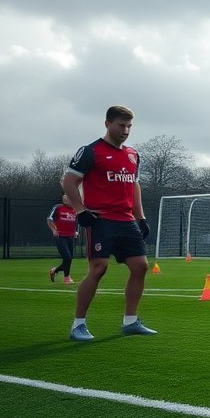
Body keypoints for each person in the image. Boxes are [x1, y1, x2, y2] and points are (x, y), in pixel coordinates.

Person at [60, 105, 156, 341]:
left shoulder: (133, 154)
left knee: (141, 266)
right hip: (100, 220)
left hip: (126, 221)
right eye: (121, 125)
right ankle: (78, 325)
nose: (125, 131)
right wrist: (80, 210)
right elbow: (69, 182)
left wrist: (140, 217)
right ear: (107, 124)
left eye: (129, 126)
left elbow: (134, 186)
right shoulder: (91, 151)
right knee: (99, 269)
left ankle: (131, 321)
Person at [46, 195, 78, 285]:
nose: (67, 200)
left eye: (69, 198)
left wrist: (75, 231)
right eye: (65, 198)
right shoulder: (58, 207)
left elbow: (75, 222)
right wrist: (53, 230)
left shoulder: (75, 209)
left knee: (69, 259)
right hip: (60, 236)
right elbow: (49, 219)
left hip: (70, 236)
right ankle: (67, 278)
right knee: (67, 257)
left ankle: (54, 270)